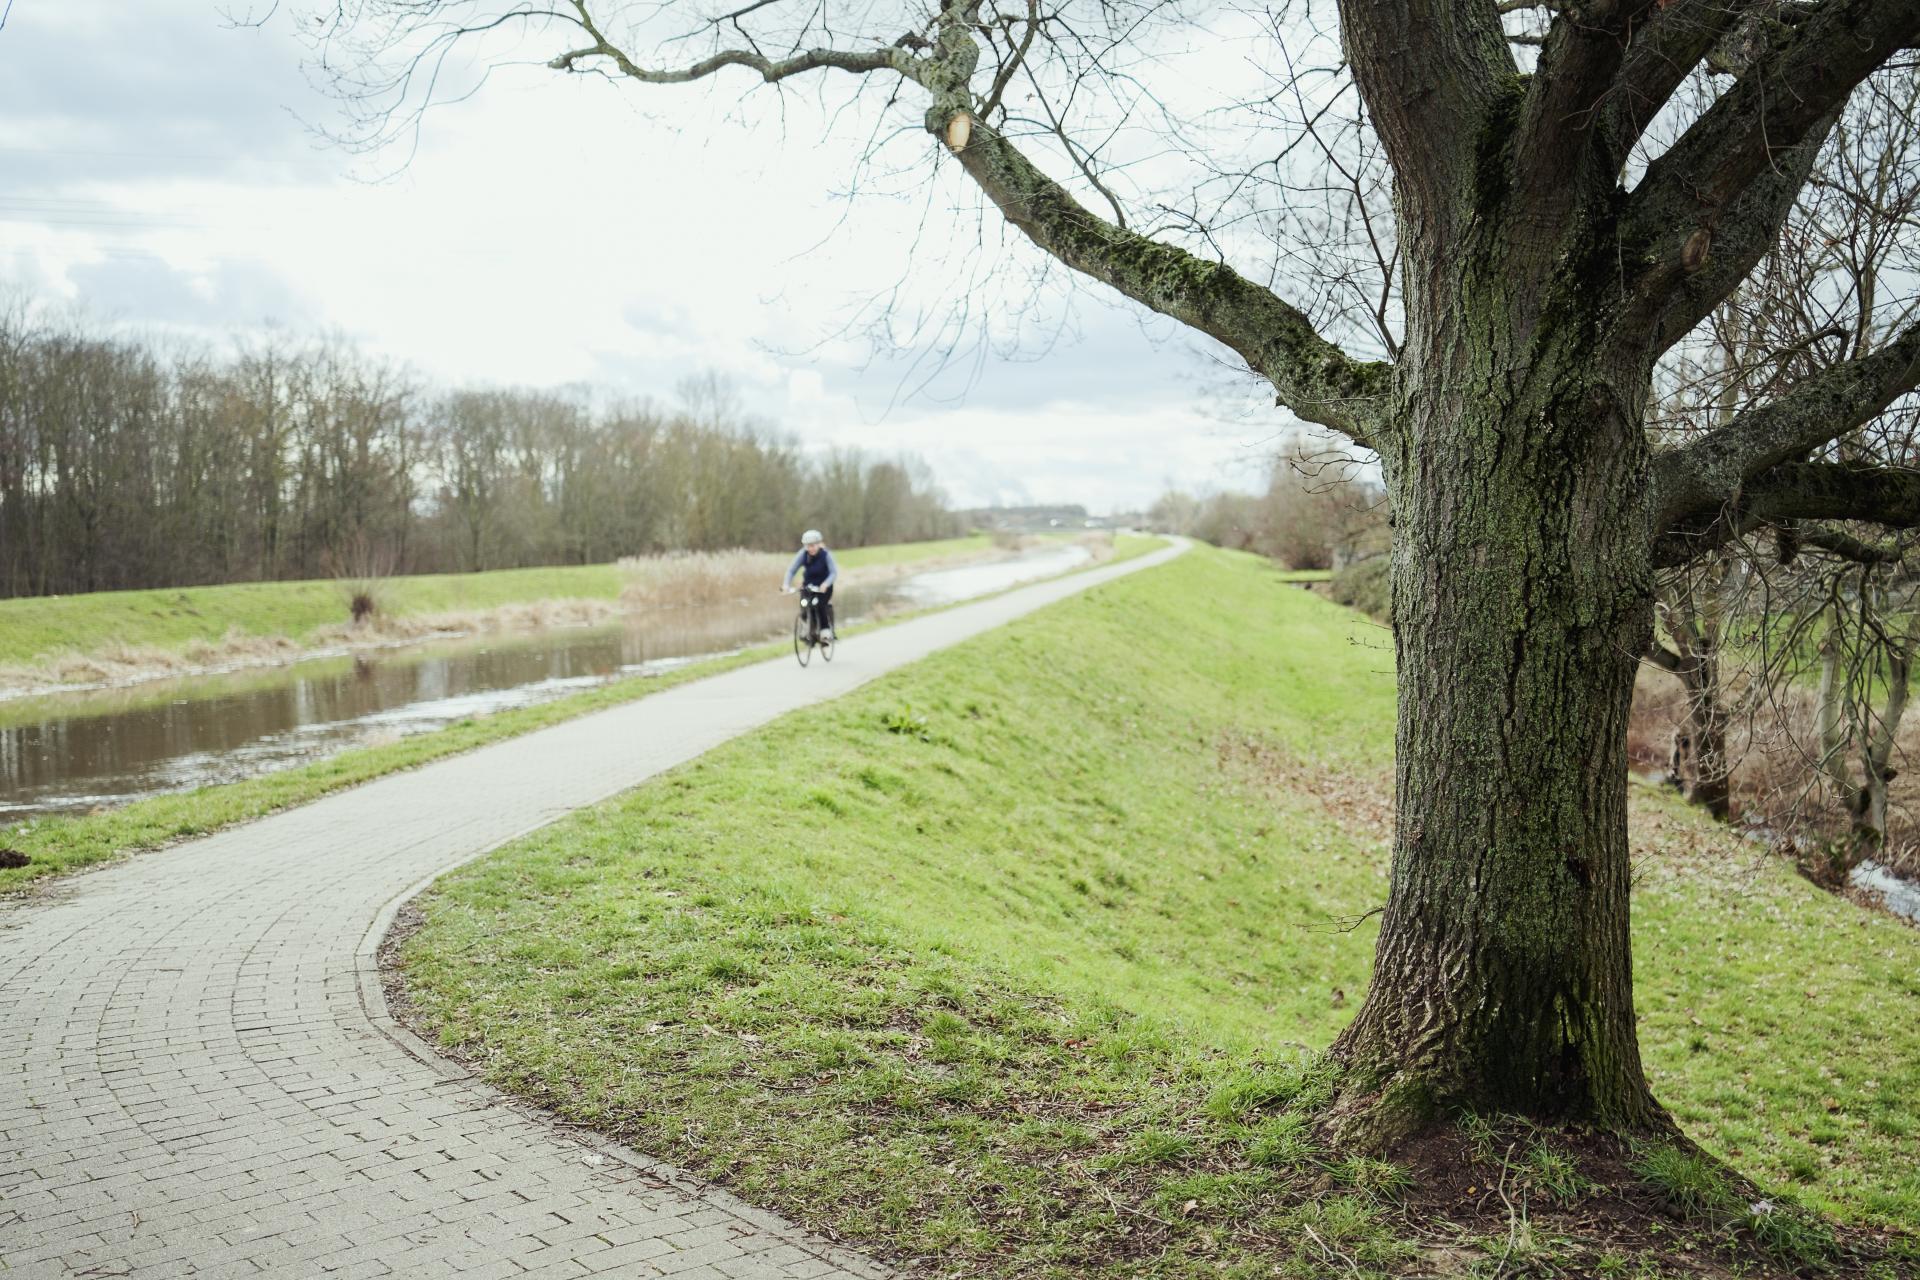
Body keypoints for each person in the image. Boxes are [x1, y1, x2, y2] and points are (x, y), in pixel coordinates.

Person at [781, 529, 838, 641]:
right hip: (808, 586)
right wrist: (786, 585)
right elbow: (791, 571)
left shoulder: (825, 555)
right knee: (804, 606)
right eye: (808, 546)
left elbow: (833, 572)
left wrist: (826, 583)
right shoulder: (803, 555)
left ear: (818, 544)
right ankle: (807, 630)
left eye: (812, 545)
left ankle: (825, 632)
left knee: (820, 605)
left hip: (823, 587)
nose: (810, 548)